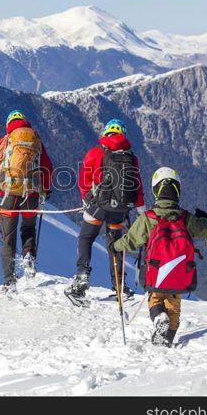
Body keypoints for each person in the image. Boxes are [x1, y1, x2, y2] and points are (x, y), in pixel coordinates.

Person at [112, 167, 207, 347]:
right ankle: (166, 341)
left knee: (155, 299)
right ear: (177, 191)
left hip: (156, 272)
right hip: (179, 274)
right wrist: (203, 219)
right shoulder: (186, 218)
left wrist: (115, 246)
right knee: (174, 306)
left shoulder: (148, 218)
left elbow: (131, 241)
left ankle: (158, 317)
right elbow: (203, 231)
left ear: (155, 191)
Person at [65, 119, 145, 302]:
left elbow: (84, 178)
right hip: (120, 209)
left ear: (105, 132)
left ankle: (82, 276)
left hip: (98, 206)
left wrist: (87, 197)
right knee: (115, 245)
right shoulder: (131, 157)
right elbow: (136, 184)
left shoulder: (96, 152)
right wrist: (141, 208)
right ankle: (120, 286)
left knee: (86, 237)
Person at [0, 110, 54, 292]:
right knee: (28, 228)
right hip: (31, 194)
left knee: (8, 237)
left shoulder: (3, 142)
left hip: (8, 195)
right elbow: (47, 166)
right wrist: (46, 189)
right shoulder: (35, 140)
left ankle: (9, 280)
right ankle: (28, 255)